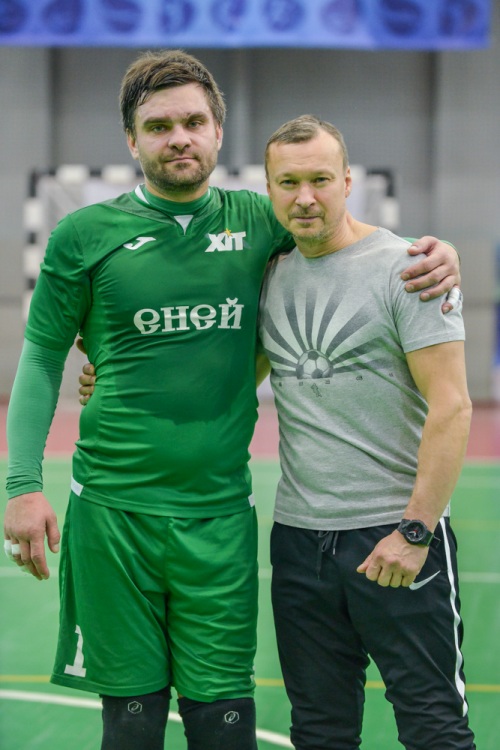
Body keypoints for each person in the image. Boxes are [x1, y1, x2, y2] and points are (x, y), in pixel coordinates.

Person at [3, 49, 461, 750]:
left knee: (224, 723)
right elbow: (39, 359)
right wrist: (23, 485)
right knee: (131, 721)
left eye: (193, 122)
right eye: (159, 126)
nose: (178, 138)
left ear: (219, 132)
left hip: (219, 518)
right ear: (132, 140)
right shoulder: (82, 235)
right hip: (111, 515)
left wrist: (437, 252)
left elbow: (346, 236)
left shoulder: (263, 219)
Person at [257, 115, 475, 749]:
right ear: (269, 190)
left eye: (321, 180)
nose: (305, 197)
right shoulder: (267, 275)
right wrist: (109, 376)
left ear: (348, 182)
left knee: (433, 727)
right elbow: (225, 379)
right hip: (299, 542)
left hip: (395, 534)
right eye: (288, 182)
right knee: (319, 731)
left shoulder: (409, 270)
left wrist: (415, 532)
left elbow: (453, 407)